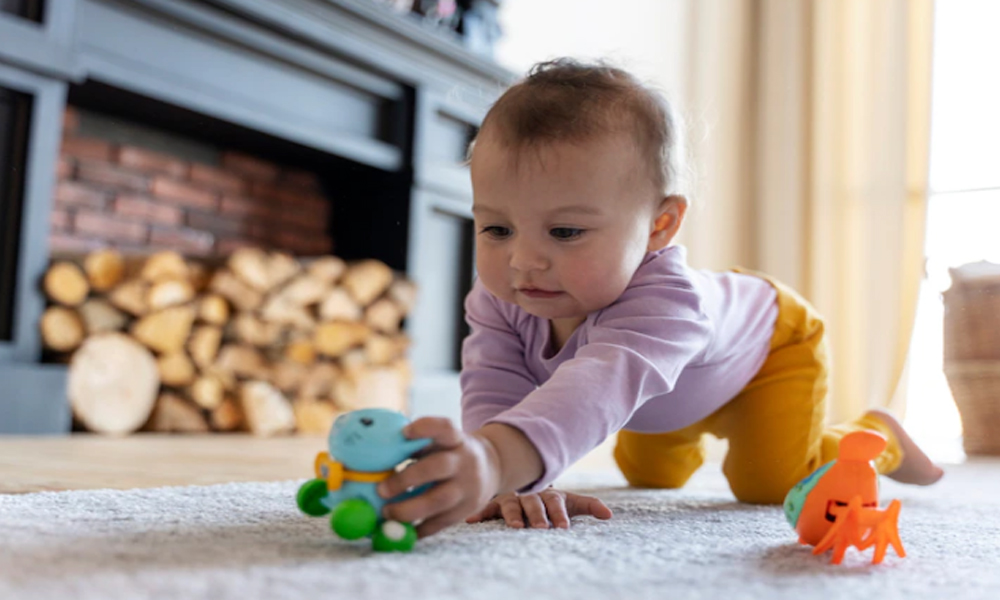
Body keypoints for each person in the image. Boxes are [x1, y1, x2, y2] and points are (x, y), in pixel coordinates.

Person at [376, 58, 944, 538]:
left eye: (565, 232)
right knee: (652, 476)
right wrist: (508, 479)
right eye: (497, 230)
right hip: (668, 390)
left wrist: (498, 459)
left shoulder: (665, 303)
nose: (523, 261)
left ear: (659, 226)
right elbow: (496, 382)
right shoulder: (503, 295)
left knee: (769, 483)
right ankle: (688, 432)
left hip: (770, 349)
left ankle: (877, 438)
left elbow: (599, 383)